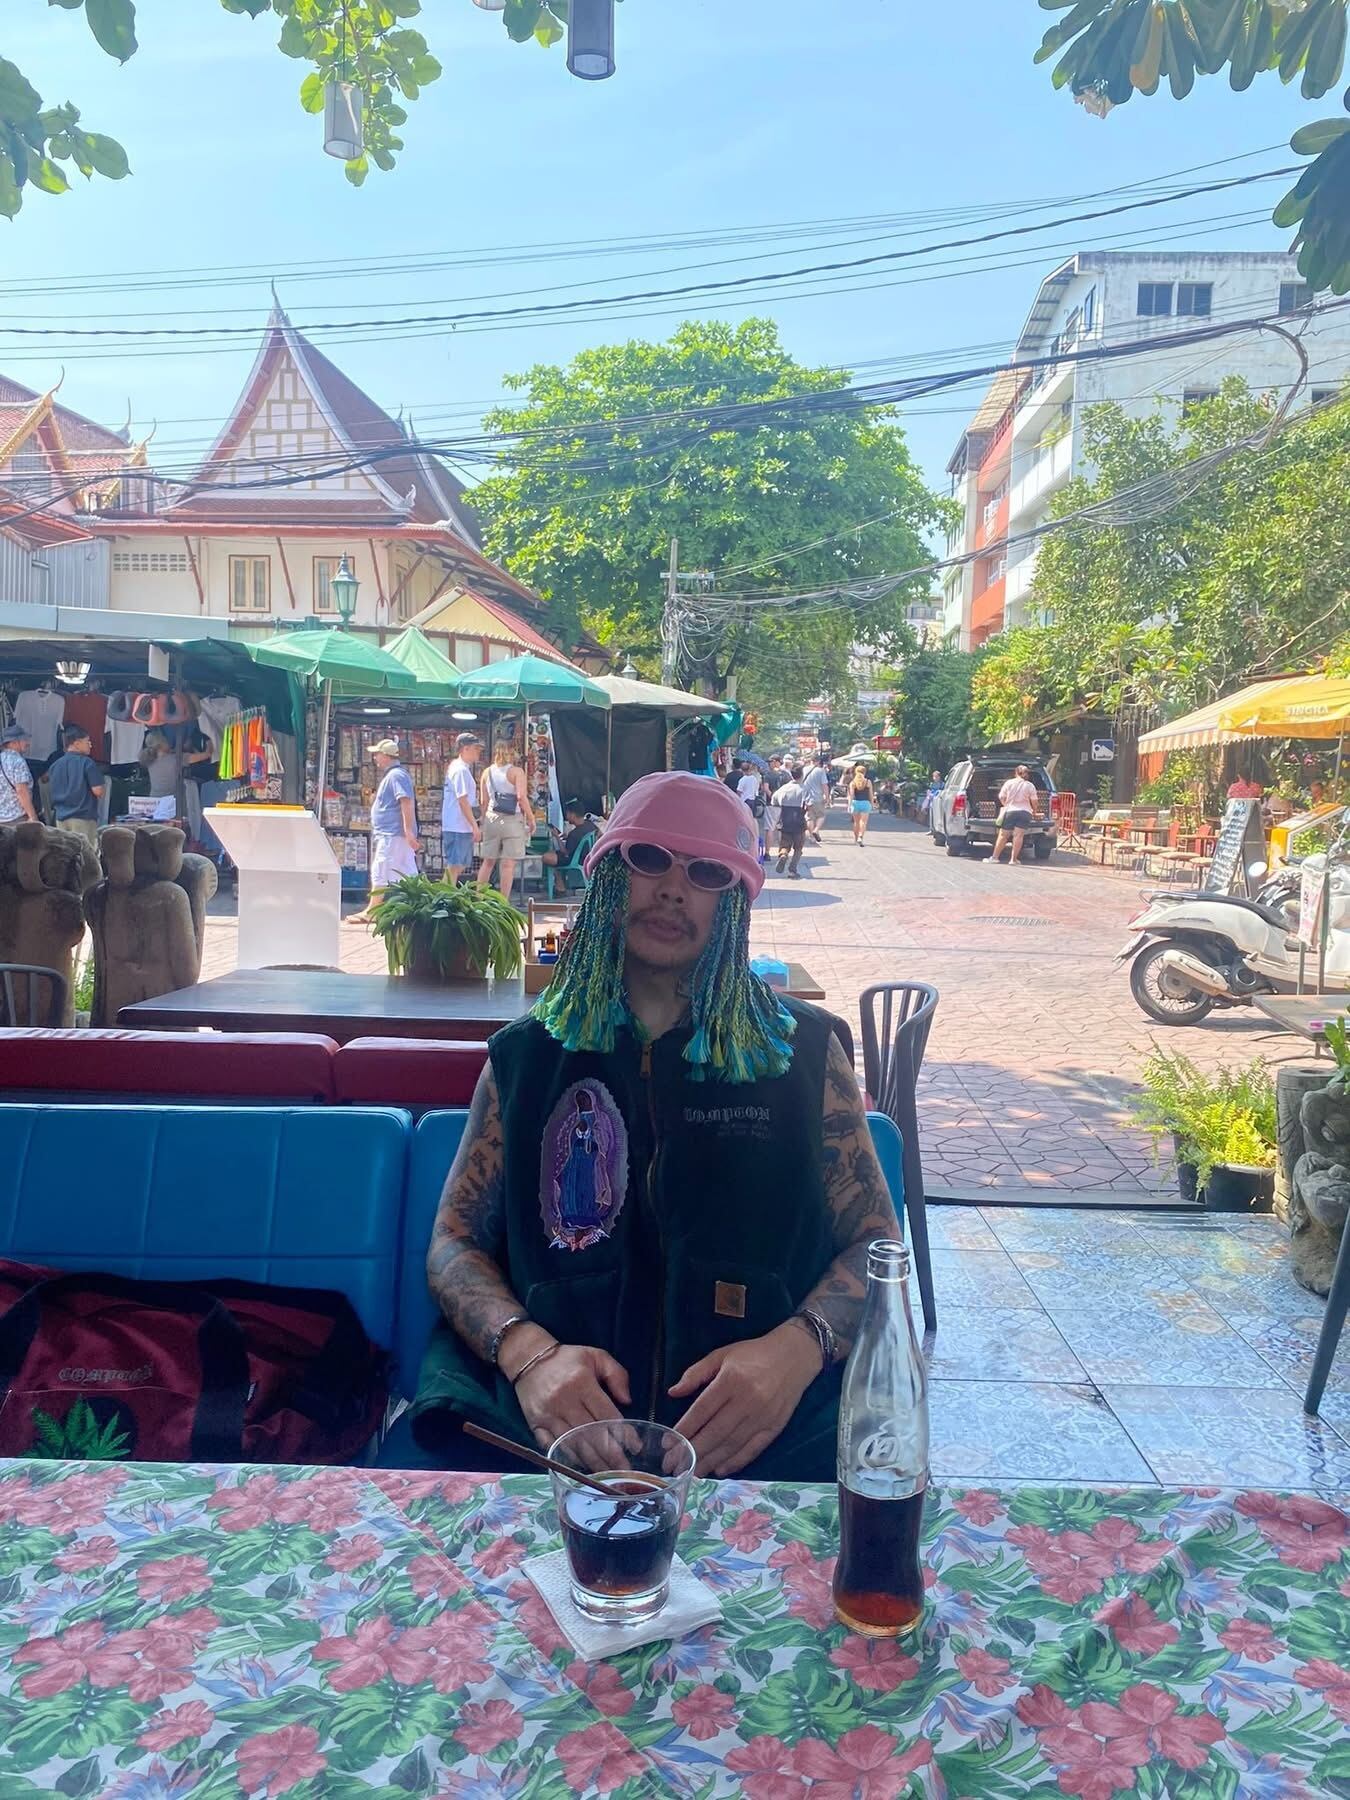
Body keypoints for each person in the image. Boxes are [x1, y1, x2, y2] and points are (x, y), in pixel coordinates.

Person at [419, 771, 899, 1480]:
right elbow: (453, 1241)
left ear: (732, 902)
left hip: (766, 1440)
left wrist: (797, 1351)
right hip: (550, 1439)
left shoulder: (803, 1052)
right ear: (608, 876)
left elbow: (878, 1245)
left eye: (706, 872)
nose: (674, 889)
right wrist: (528, 1356)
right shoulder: (527, 1056)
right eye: (649, 859)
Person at [352, 738, 418, 923]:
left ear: (386, 756)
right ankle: (416, 906)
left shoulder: (396, 776)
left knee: (381, 868)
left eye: (377, 754)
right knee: (406, 870)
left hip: (392, 834)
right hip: (395, 833)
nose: (375, 758)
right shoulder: (395, 775)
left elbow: (405, 801)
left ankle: (372, 910)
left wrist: (408, 830)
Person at [478, 740, 535, 897]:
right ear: (512, 753)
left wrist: (484, 820)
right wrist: (531, 818)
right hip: (512, 820)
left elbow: (483, 801)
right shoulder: (517, 772)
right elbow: (521, 797)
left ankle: (478, 898)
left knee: (488, 862)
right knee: (508, 864)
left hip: (492, 819)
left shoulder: (486, 773)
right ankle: (503, 902)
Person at [47, 723, 105, 853]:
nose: (90, 745)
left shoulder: (55, 765)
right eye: (87, 741)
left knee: (65, 855)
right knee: (85, 855)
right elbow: (98, 791)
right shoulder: (87, 763)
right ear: (77, 743)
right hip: (82, 817)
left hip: (60, 818)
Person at [441, 731, 483, 884]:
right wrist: (474, 826)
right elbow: (463, 800)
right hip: (458, 826)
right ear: (465, 748)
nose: (478, 752)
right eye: (476, 748)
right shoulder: (460, 770)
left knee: (458, 865)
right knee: (455, 866)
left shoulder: (458, 768)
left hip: (458, 825)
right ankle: (443, 894)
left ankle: (444, 892)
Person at [992, 763, 1040, 866]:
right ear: (1027, 774)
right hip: (1025, 812)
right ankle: (1013, 860)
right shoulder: (1030, 785)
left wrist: (1006, 804)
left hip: (1010, 811)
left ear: (1016, 773)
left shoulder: (1009, 783)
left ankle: (995, 857)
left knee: (1003, 835)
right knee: (1018, 836)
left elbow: (1001, 796)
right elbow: (1035, 801)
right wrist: (1034, 811)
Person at [540, 797, 596, 876]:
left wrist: (557, 837)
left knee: (546, 857)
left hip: (576, 859)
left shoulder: (574, 834)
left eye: (567, 814)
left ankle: (559, 879)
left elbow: (565, 852)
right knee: (553, 853)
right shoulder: (590, 824)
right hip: (589, 857)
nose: (566, 817)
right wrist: (567, 837)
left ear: (572, 815)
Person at [773, 763, 809, 878]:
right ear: (802, 775)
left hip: (785, 821)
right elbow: (810, 804)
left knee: (785, 844)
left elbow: (774, 800)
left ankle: (783, 855)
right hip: (799, 822)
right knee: (798, 847)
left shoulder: (784, 788)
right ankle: (792, 870)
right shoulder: (804, 789)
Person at [0, 725, 38, 825]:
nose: (27, 743)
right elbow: (21, 791)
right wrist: (32, 816)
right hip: (16, 818)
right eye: (24, 740)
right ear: (13, 742)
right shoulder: (18, 761)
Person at [801, 757, 830, 845]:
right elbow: (824, 785)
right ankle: (816, 830)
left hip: (806, 797)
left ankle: (811, 837)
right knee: (821, 815)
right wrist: (827, 797)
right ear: (817, 762)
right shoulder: (820, 771)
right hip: (818, 797)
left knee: (810, 817)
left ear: (811, 761)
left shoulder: (804, 770)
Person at [848, 763, 875, 845]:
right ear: (865, 772)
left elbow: (851, 795)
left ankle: (856, 839)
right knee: (863, 822)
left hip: (855, 803)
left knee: (856, 822)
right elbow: (871, 794)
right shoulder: (868, 782)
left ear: (856, 772)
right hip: (865, 803)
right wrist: (872, 804)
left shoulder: (853, 782)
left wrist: (849, 805)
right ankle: (860, 836)